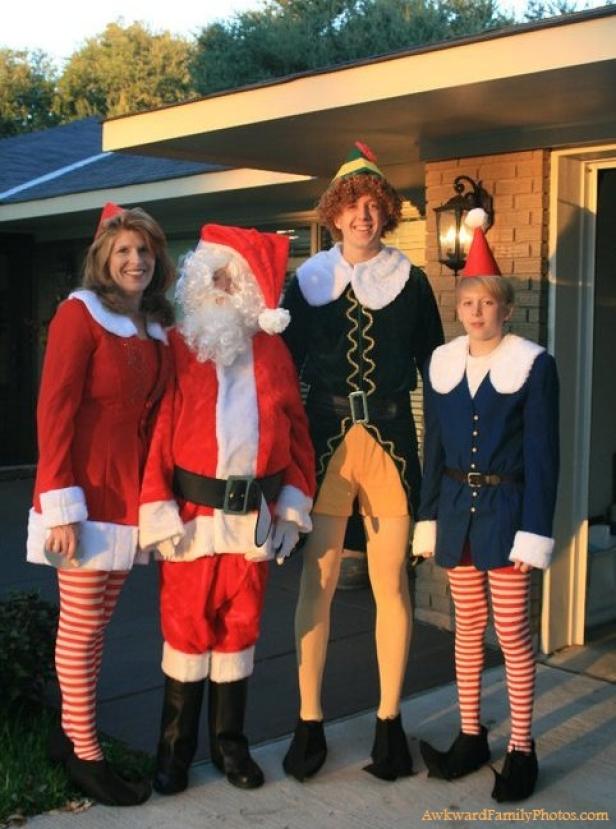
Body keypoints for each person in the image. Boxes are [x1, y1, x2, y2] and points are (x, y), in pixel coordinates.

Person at [281, 142, 444, 782]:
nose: (364, 216)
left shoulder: (413, 279)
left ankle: (388, 722)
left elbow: (437, 373)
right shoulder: (306, 280)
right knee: (315, 582)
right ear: (335, 212)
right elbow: (277, 372)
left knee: (391, 586)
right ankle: (309, 720)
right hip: (323, 440)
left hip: (393, 443)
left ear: (387, 214)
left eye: (375, 206)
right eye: (353, 205)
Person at [138, 224, 316, 794]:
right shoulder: (176, 346)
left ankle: (228, 746)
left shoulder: (273, 351)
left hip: (253, 521)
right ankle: (174, 749)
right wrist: (156, 507)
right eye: (210, 274)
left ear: (246, 285)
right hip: (191, 519)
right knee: (186, 629)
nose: (218, 285)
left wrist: (292, 505)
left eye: (229, 276)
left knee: (240, 629)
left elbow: (296, 431)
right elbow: (157, 433)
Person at [26, 203, 175, 806]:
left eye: (144, 251)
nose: (135, 261)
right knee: (81, 629)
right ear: (103, 261)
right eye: (123, 252)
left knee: (97, 629)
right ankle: (87, 756)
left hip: (128, 494)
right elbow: (54, 410)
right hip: (84, 493)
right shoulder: (77, 314)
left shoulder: (155, 324)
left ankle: (69, 738)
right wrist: (59, 506)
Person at [413, 208, 559, 802]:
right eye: (468, 302)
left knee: (513, 633)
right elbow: (435, 449)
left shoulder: (532, 363)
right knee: (466, 630)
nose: (477, 312)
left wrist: (534, 532)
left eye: (488, 303)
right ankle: (472, 734)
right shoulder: (443, 363)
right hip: (455, 513)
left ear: (505, 308)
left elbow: (545, 457)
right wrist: (427, 519)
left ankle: (522, 747)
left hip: (506, 516)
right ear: (460, 308)